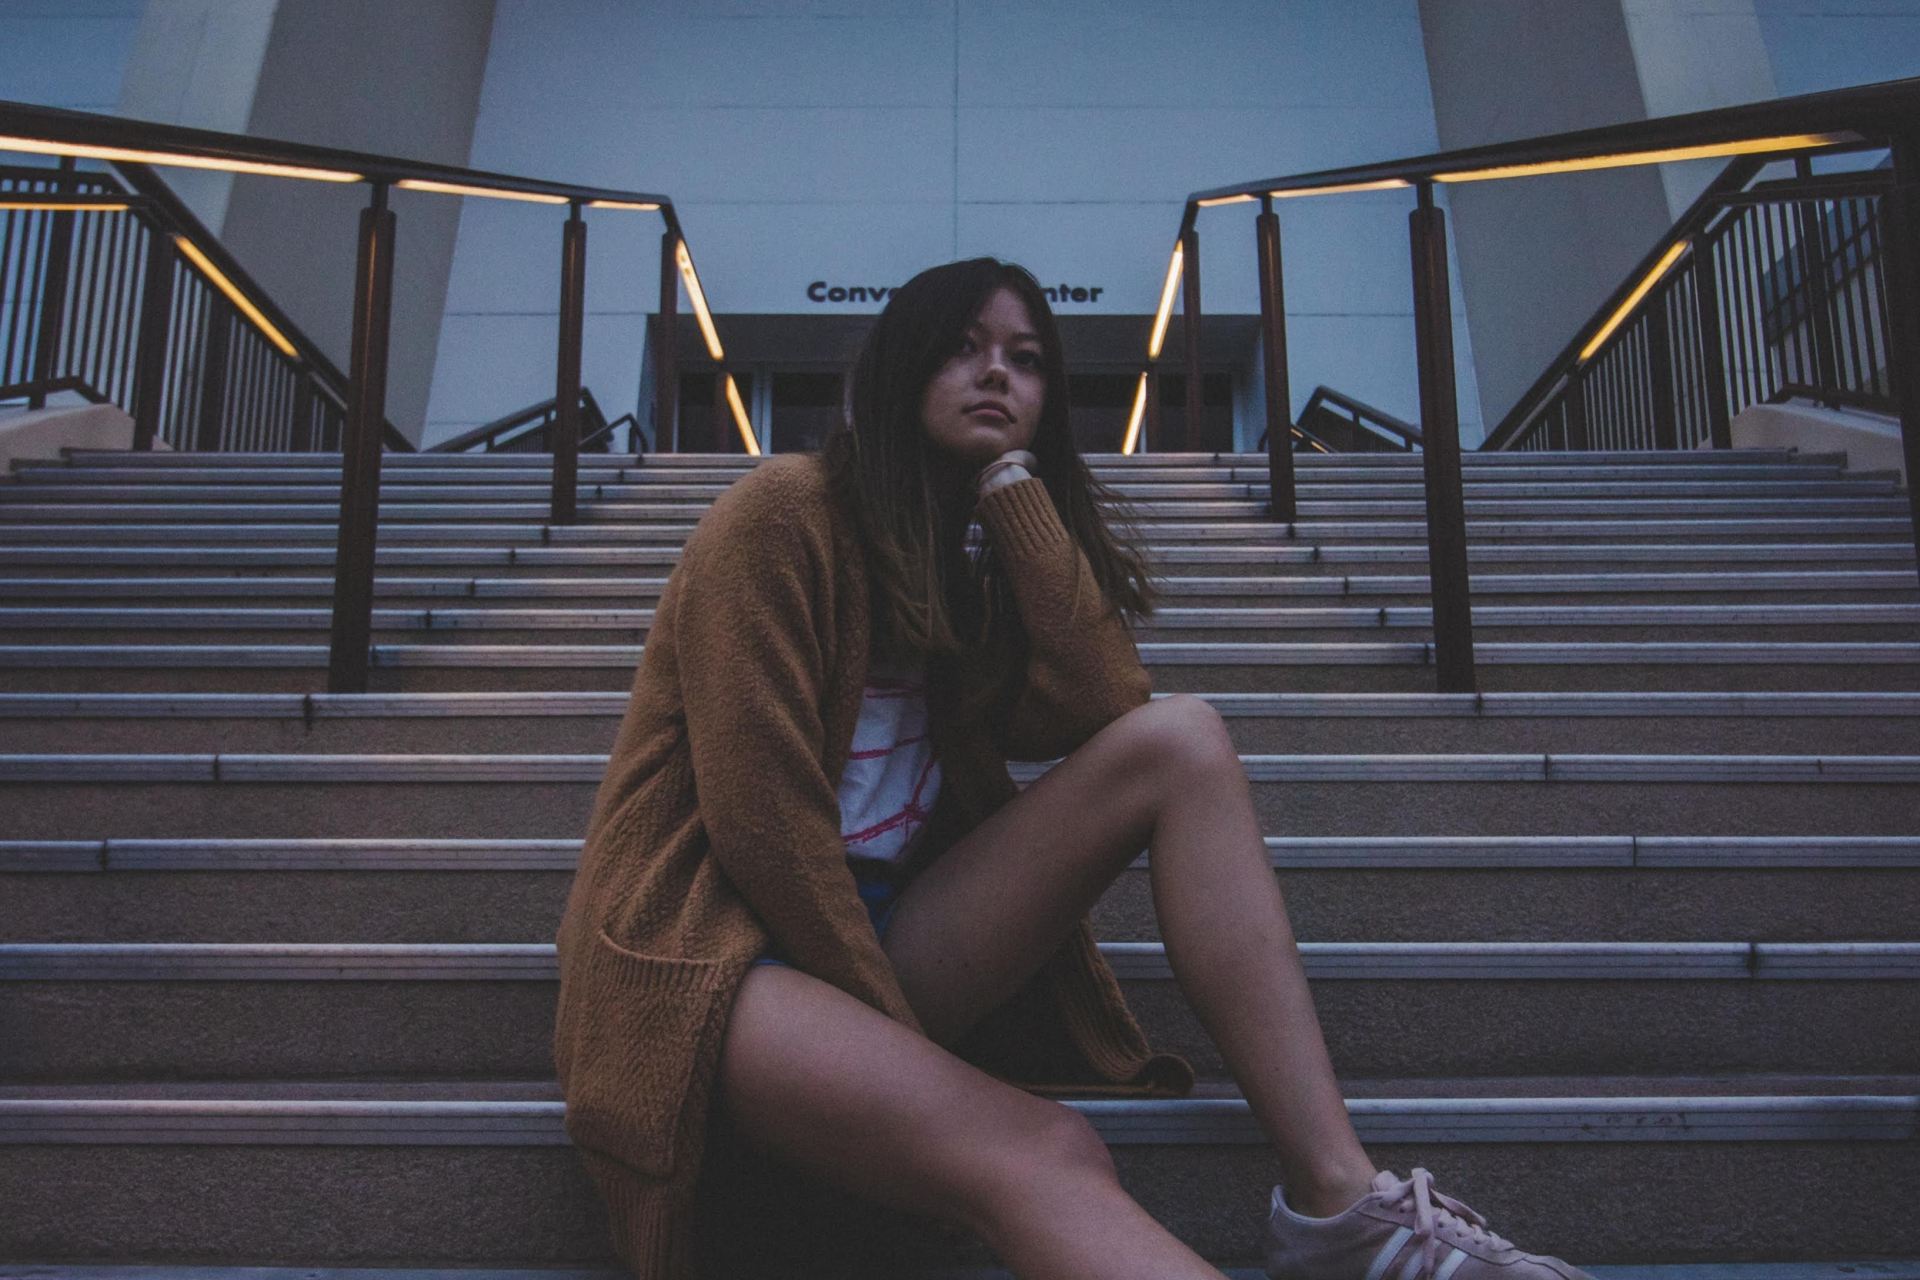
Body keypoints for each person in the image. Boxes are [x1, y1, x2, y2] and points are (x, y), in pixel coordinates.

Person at [552, 258, 1593, 1280]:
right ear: (900, 364)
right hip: (718, 959)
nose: (996, 372)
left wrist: (1014, 493)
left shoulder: (959, 570)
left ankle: (1336, 1200)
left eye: (1026, 357)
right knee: (1048, 1148)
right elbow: (764, 832)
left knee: (1182, 740)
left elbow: (1104, 704)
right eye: (961, 347)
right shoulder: (782, 513)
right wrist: (915, 1067)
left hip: (881, 939)